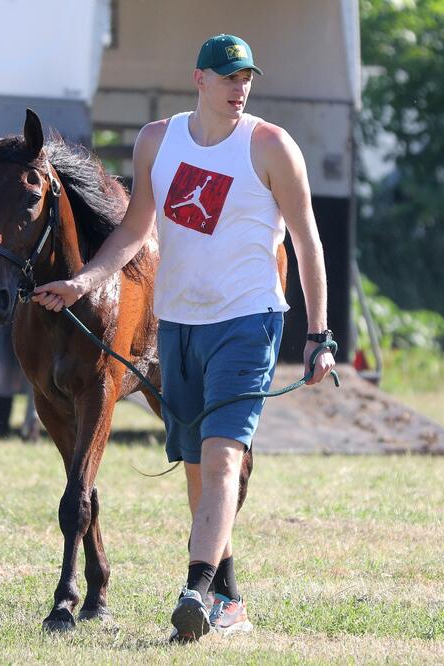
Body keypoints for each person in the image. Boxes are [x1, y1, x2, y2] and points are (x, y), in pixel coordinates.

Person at [32, 34, 336, 641]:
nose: (240, 87)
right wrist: (82, 280)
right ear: (199, 79)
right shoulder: (157, 141)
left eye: (247, 76)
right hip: (178, 324)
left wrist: (320, 333)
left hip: (248, 322)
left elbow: (307, 243)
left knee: (223, 457)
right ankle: (228, 596)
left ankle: (195, 589)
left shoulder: (271, 146)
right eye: (228, 76)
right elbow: (134, 229)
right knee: (196, 463)